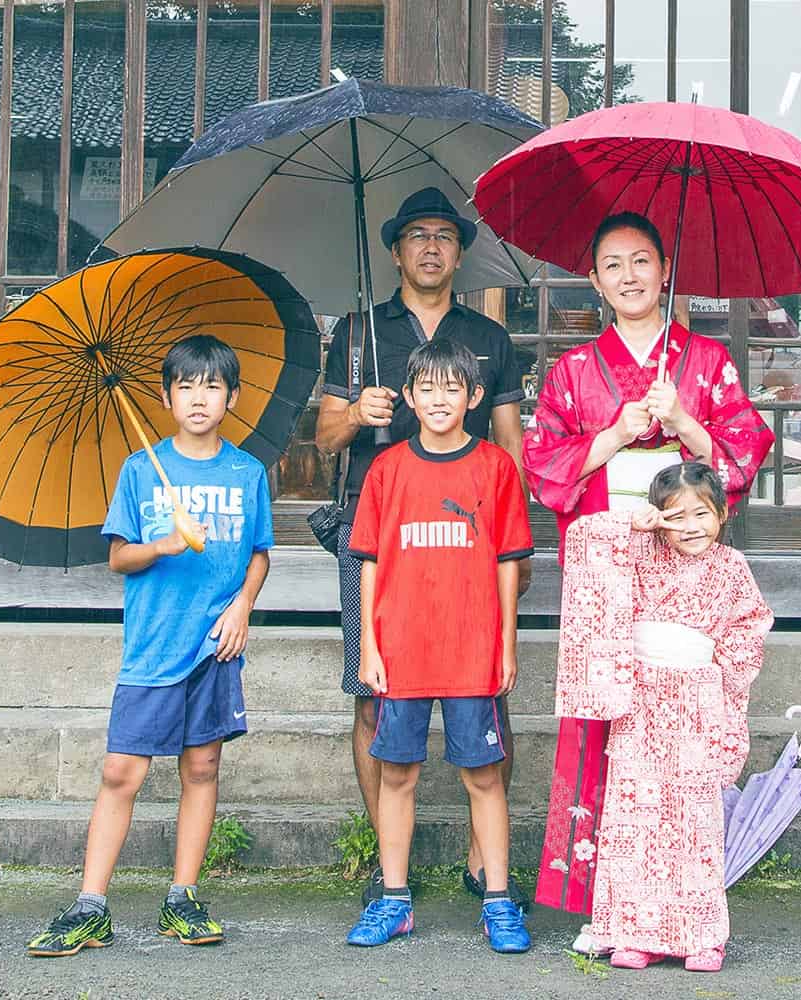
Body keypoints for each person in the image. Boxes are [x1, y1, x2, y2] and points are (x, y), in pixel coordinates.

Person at [525, 211, 774, 919]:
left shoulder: (707, 362)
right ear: (595, 281)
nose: (628, 276)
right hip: (608, 563)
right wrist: (614, 435)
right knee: (599, 718)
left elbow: (743, 454)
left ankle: (674, 899)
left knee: (676, 726)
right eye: (613, 264)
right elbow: (542, 465)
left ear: (665, 272)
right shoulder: (573, 371)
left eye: (641, 261)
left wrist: (685, 421)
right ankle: (593, 899)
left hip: (685, 566)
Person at [314, 187, 532, 908]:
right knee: (372, 696)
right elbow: (324, 439)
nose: (431, 248)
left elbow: (509, 442)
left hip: (470, 539)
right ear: (395, 250)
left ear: (460, 253)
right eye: (417, 236)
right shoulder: (358, 332)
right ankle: (390, 867)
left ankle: (481, 859)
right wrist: (356, 412)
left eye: (444, 236)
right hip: (374, 533)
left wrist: (518, 545)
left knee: (487, 696)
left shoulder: (488, 337)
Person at [25, 335, 273, 957]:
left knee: (202, 766)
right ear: (166, 398)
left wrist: (243, 605)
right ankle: (91, 905)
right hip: (154, 644)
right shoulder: (141, 470)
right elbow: (118, 557)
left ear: (232, 397)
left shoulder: (247, 473)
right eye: (186, 387)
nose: (199, 398)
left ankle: (182, 897)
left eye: (212, 386)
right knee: (121, 771)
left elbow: (259, 554)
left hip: (214, 644)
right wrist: (162, 544)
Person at [342, 338, 534, 953]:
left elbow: (507, 562)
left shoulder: (495, 468)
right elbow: (369, 562)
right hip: (401, 650)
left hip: (471, 649)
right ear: (409, 396)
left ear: (474, 396)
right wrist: (370, 646)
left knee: (484, 776)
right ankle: (393, 900)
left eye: (453, 388)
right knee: (397, 774)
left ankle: (498, 901)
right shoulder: (387, 468)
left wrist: (505, 644)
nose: (439, 399)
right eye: (426, 388)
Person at [546, 462, 772, 971]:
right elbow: (583, 539)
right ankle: (634, 933)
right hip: (641, 700)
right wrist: (633, 522)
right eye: (676, 515)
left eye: (702, 514)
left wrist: (718, 677)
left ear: (723, 513)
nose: (691, 526)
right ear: (659, 516)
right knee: (635, 820)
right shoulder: (639, 550)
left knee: (696, 824)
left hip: (698, 700)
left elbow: (749, 628)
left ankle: (702, 938)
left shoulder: (731, 567)